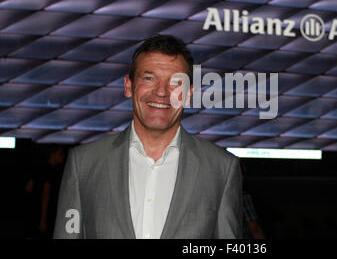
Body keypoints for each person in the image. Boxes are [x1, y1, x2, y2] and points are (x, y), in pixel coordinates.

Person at [53, 35, 242, 239]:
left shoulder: (221, 169)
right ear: (128, 86)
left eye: (175, 82)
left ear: (188, 94)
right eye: (149, 78)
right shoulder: (84, 164)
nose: (161, 92)